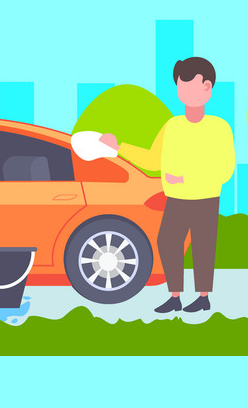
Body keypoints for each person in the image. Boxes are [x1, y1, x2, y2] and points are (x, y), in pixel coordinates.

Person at [98, 57, 234, 313]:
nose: (184, 93)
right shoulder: (172, 127)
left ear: (207, 88)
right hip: (176, 199)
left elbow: (225, 169)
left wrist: (185, 177)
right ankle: (175, 296)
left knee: (204, 246)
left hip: (205, 198)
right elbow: (151, 159)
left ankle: (203, 297)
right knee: (168, 242)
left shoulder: (219, 128)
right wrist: (117, 147)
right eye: (180, 88)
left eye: (190, 87)